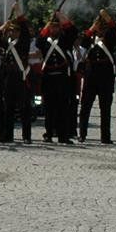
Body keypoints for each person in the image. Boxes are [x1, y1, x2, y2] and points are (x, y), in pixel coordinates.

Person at [35, 8, 78, 144]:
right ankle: (48, 133)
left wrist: (61, 17)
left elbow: (73, 31)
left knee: (63, 108)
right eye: (52, 26)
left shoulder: (65, 40)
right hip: (49, 78)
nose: (54, 29)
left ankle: (62, 135)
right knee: (49, 108)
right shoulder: (44, 41)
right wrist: (48, 24)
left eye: (56, 26)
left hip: (62, 79)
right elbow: (38, 41)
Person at [77, 9, 116, 145]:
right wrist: (92, 29)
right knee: (85, 106)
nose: (100, 29)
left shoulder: (110, 37)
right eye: (99, 26)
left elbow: (115, 34)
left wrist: (108, 19)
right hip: (91, 75)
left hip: (105, 75)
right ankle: (82, 134)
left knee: (105, 108)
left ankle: (105, 136)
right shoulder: (90, 38)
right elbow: (83, 43)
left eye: (102, 26)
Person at [0, 8, 34, 144]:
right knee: (8, 108)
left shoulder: (24, 42)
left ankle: (26, 136)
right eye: (11, 30)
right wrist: (3, 27)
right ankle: (8, 136)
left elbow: (25, 29)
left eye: (16, 30)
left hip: (21, 77)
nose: (13, 32)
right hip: (8, 78)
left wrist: (18, 12)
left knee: (24, 108)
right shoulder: (6, 43)